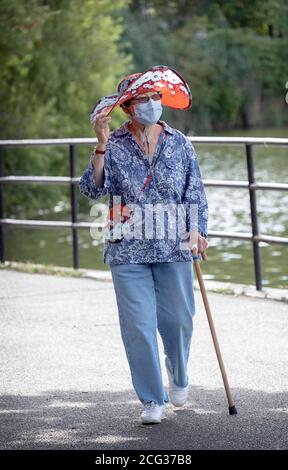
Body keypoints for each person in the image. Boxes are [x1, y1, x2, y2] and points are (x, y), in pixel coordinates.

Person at [79, 65, 208, 424]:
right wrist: (101, 145)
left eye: (156, 98)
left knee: (179, 321)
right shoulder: (115, 144)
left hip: (173, 247)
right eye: (144, 99)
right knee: (138, 326)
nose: (152, 104)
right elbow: (91, 189)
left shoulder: (180, 143)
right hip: (127, 249)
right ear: (128, 107)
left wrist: (197, 230)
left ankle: (178, 372)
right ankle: (153, 399)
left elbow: (194, 192)